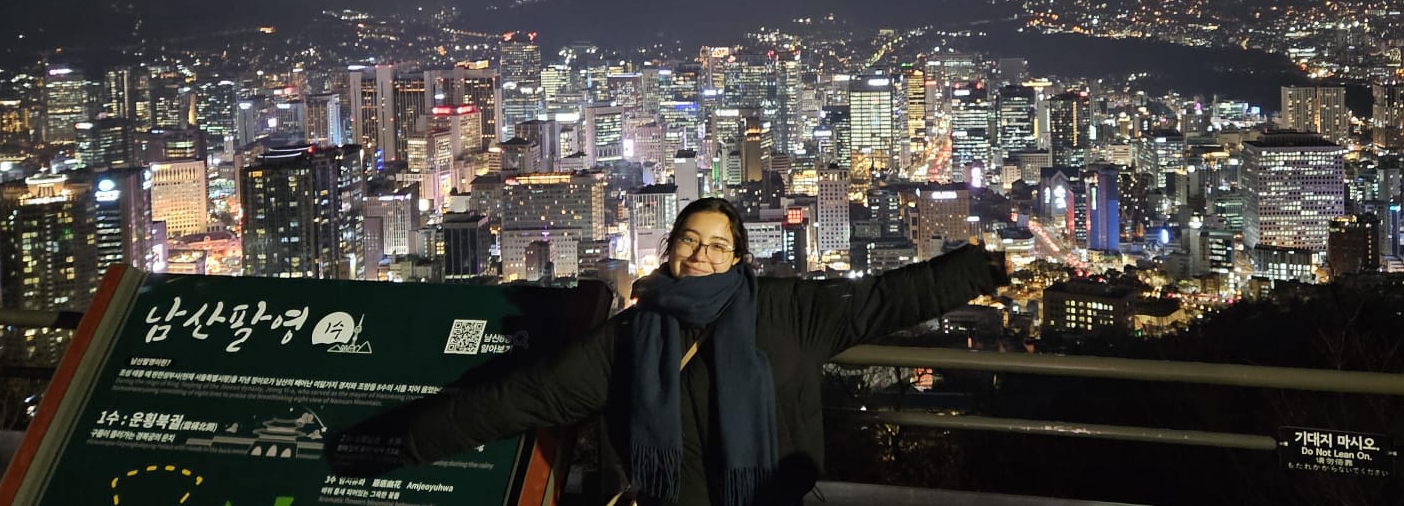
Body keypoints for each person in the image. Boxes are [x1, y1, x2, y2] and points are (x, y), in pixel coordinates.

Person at [363, 196, 1007, 506]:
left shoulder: (789, 311)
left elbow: (889, 299)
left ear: (739, 258)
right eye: (689, 241)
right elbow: (529, 395)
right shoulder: (632, 336)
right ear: (669, 247)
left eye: (717, 245)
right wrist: (411, 440)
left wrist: (982, 268)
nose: (701, 256)